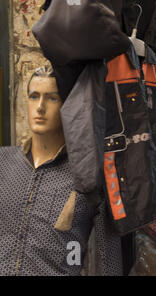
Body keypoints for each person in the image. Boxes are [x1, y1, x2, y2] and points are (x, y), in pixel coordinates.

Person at [0, 66, 123, 276]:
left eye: (51, 98)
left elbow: (109, 260)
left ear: (67, 106)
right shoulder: (3, 161)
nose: (39, 107)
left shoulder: (87, 176)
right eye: (33, 96)